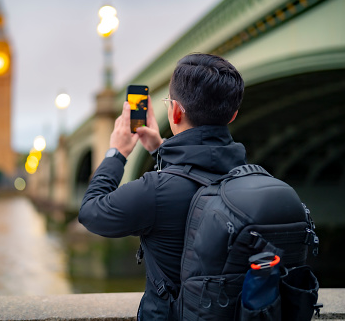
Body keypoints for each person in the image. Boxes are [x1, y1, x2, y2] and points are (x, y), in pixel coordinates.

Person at [78, 53, 246, 320]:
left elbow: (90, 211)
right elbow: (195, 174)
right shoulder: (250, 178)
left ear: (175, 111)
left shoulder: (154, 192)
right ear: (233, 115)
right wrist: (159, 149)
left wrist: (116, 153)